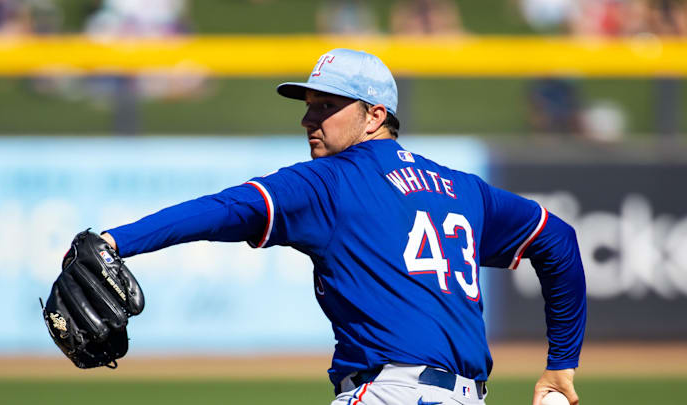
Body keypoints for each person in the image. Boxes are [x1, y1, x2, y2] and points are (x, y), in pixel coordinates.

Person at [98, 49, 586, 405]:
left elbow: (226, 208)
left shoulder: (330, 180)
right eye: (309, 104)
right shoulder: (462, 188)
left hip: (389, 394)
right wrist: (561, 365)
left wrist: (116, 241)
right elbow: (558, 240)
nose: (311, 118)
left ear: (375, 116)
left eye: (328, 106)